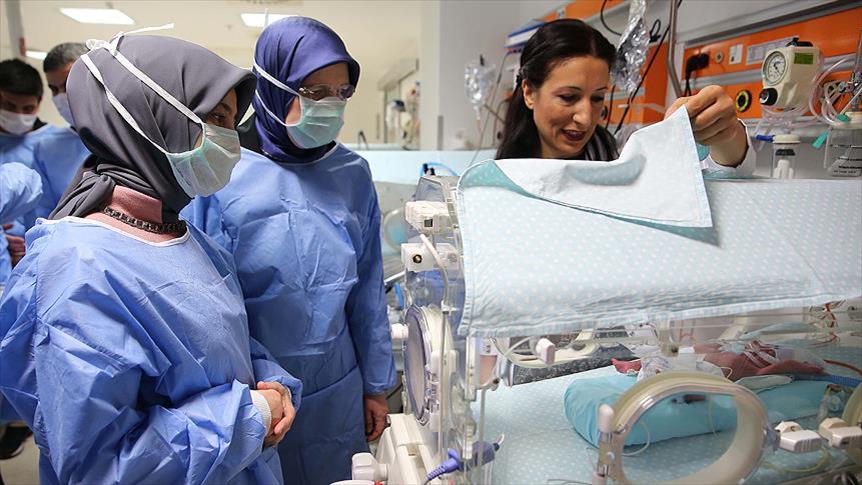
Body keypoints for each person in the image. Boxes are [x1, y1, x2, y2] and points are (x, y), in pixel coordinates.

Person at [0, 34, 302, 483]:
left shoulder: (187, 237)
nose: (230, 140)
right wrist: (249, 416)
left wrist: (271, 382)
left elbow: (229, 347)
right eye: (215, 118)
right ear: (153, 120)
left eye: (230, 120)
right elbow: (102, 467)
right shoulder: (79, 270)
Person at [184, 16, 395, 484]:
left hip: (338, 385)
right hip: (255, 389)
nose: (331, 105)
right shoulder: (222, 172)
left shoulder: (352, 174)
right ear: (272, 88)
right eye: (315, 92)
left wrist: (377, 386)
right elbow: (205, 304)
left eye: (342, 93)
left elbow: (368, 290)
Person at [496, 19, 755, 173]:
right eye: (568, 97)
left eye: (597, 98)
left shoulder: (618, 159)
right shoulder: (500, 181)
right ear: (529, 93)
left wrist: (725, 134)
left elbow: (714, 174)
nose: (586, 119)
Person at [0, 57, 89, 265]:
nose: (18, 115)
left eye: (27, 108)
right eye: (9, 106)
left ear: (39, 103)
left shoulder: (57, 144)